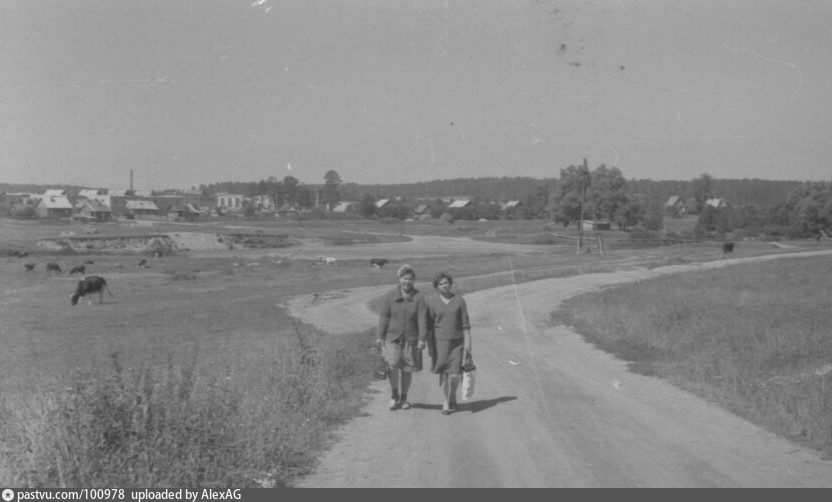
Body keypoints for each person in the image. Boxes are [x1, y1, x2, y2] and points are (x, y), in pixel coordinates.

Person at [376, 264, 427, 411]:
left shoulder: (418, 297)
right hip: (392, 337)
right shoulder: (391, 295)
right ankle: (394, 395)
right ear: (399, 279)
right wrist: (380, 335)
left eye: (410, 279)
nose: (407, 282)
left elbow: (422, 319)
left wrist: (422, 339)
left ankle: (404, 398)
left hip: (410, 339)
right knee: (391, 366)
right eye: (405, 278)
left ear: (414, 280)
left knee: (406, 369)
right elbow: (384, 316)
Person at [426, 272, 471, 415]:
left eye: (446, 283)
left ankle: (452, 394)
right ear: (437, 287)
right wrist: (430, 346)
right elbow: (429, 326)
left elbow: (465, 324)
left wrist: (468, 342)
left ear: (450, 284)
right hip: (440, 343)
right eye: (440, 284)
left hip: (457, 342)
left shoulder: (459, 300)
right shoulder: (432, 302)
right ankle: (446, 401)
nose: (444, 286)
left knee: (455, 374)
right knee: (445, 374)